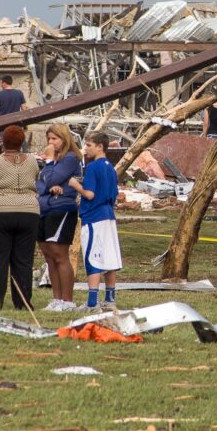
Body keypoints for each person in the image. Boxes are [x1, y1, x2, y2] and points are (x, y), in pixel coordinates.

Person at [0, 125, 40, 310]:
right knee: (23, 261)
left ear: (2, 142)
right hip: (29, 211)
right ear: (22, 142)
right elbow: (35, 175)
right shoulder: (31, 161)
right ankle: (23, 303)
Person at [69, 131, 122, 312]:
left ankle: (92, 303)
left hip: (94, 216)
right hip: (108, 215)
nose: (86, 149)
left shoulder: (93, 167)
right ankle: (110, 299)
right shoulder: (111, 168)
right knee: (109, 257)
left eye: (89, 145)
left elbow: (90, 194)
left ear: (100, 146)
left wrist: (76, 185)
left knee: (93, 257)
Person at [35, 124, 82, 312]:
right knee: (48, 255)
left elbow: (52, 179)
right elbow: (41, 184)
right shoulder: (52, 160)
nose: (51, 142)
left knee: (59, 254)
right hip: (44, 207)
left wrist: (49, 163)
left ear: (64, 139)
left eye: (54, 139)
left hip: (61, 209)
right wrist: (49, 186)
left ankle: (67, 300)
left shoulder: (70, 158)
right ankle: (56, 299)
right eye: (49, 139)